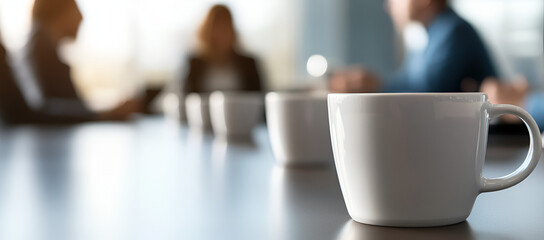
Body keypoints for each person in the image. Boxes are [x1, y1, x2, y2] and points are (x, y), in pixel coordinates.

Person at [7, 0, 139, 124]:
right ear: (58, 12)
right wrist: (106, 113)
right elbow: (42, 108)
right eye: (76, 9)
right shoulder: (40, 46)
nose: (81, 18)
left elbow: (66, 102)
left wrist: (107, 108)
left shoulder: (44, 46)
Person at [330, 0, 497, 93]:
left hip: (491, 141)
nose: (388, 6)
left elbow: (427, 91)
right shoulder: (429, 35)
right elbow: (409, 80)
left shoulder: (455, 33)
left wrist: (374, 85)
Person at [183, 4, 263, 94]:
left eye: (225, 25)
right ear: (207, 31)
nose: (221, 32)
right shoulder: (194, 64)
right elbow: (187, 96)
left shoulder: (249, 64)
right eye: (217, 27)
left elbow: (258, 97)